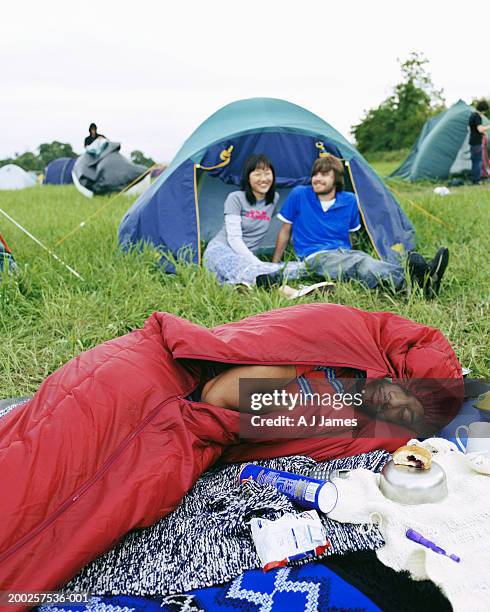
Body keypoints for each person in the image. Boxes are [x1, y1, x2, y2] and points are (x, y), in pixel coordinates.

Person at [259, 155, 449, 298]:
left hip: (344, 252)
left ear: (337, 178)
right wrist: (275, 264)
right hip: (314, 256)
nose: (317, 178)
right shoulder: (300, 194)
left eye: (324, 174)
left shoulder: (350, 201)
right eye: (315, 174)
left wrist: (351, 250)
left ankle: (419, 281)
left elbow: (351, 236)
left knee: (363, 261)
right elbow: (285, 231)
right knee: (359, 264)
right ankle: (415, 281)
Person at [203, 154, 304, 287]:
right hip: (221, 250)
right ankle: (275, 284)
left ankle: (238, 285)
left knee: (302, 268)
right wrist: (256, 262)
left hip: (246, 259)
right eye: (257, 174)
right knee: (251, 270)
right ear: (248, 177)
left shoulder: (273, 199)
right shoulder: (235, 198)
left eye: (267, 173)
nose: (263, 179)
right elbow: (234, 239)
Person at [469, 100, 490, 184]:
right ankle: (477, 180)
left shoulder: (472, 115)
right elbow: (480, 129)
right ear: (483, 109)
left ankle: (475, 178)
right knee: (478, 161)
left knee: (475, 161)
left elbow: (474, 129)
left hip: (472, 141)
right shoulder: (477, 116)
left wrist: (483, 132)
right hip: (477, 142)